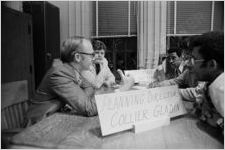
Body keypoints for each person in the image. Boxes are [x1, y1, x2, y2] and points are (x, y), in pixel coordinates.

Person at [187, 31, 224, 133]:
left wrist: (217, 121)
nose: (190, 64)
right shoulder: (212, 84)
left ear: (212, 65)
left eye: (194, 60)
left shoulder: (222, 89)